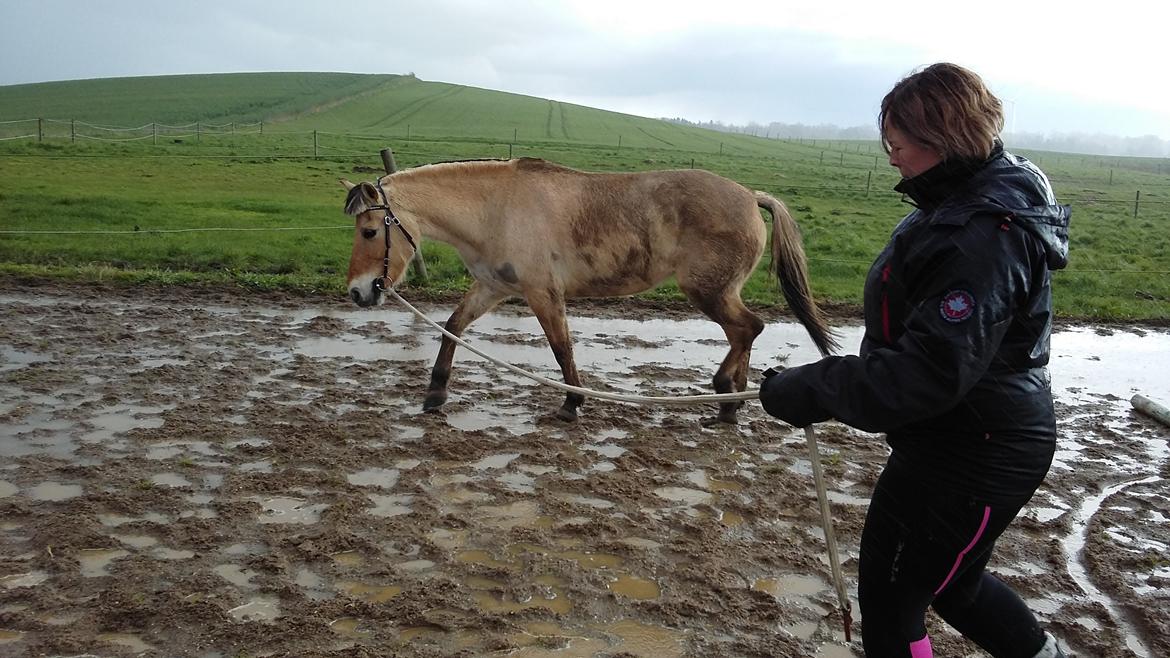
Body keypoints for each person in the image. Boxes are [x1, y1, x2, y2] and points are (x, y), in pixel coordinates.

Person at [759, 63, 1071, 658]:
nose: (891, 157)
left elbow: (927, 372)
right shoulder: (964, 201)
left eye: (897, 144)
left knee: (891, 604)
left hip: (973, 452)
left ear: (941, 139)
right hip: (958, 437)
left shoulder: (982, 234)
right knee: (955, 587)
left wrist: (815, 387)